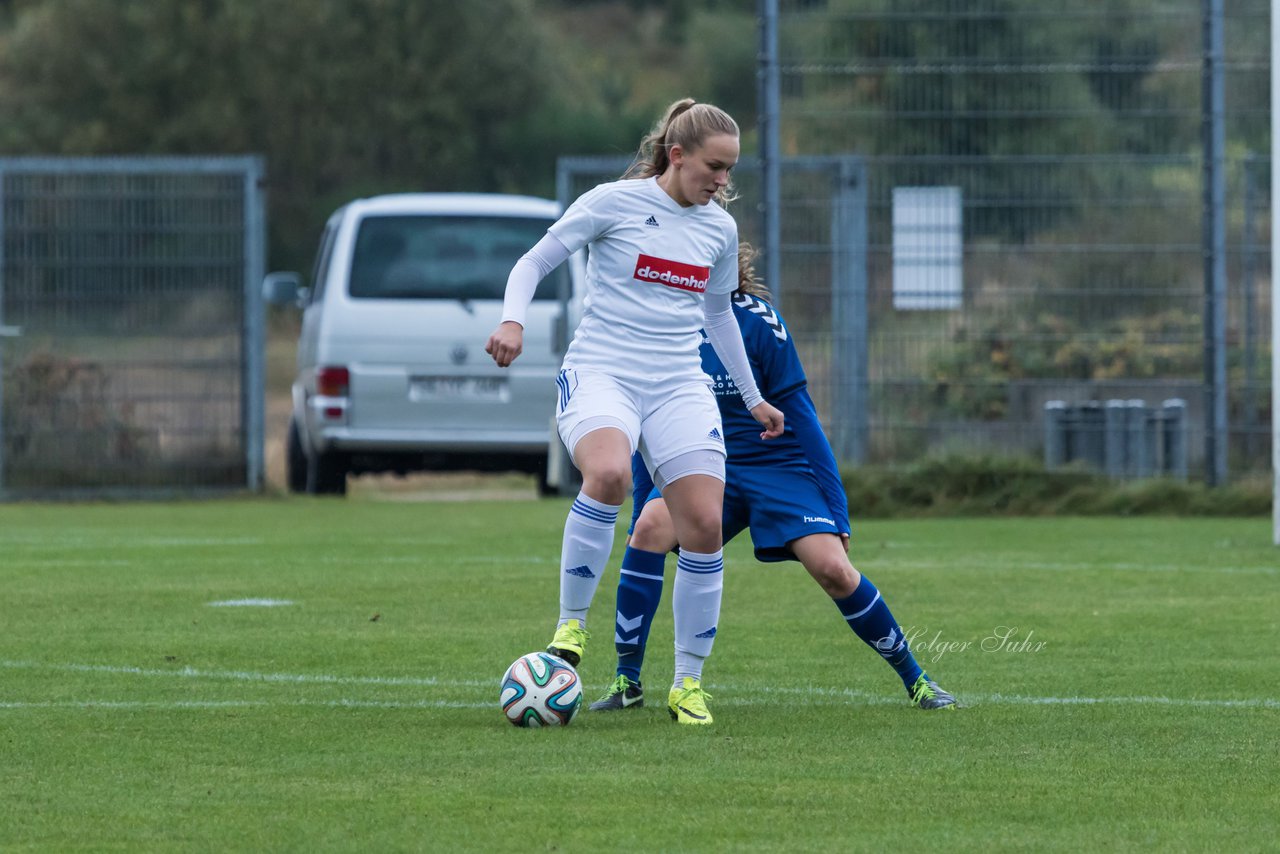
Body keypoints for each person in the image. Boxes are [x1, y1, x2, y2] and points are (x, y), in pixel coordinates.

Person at [485, 99, 785, 726]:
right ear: (677, 156)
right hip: (603, 372)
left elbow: (717, 314)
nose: (723, 182)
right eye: (714, 167)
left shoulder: (717, 230)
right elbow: (533, 261)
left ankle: (687, 685)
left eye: (730, 170)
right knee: (610, 476)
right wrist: (512, 319)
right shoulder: (611, 203)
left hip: (678, 381)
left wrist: (754, 397)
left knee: (702, 523)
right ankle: (570, 630)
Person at [588, 244, 958, 714]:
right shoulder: (655, 325)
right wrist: (644, 507)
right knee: (648, 530)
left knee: (833, 568)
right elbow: (648, 428)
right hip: (702, 466)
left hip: (777, 466)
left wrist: (837, 510)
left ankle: (919, 681)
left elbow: (802, 417)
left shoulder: (758, 321)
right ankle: (627, 683)